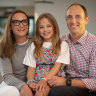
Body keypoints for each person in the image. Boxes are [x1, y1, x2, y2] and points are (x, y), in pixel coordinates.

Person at [48, 3, 96, 96]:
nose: (73, 21)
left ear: (86, 20)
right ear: (66, 20)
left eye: (78, 17)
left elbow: (95, 82)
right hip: (64, 86)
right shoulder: (61, 41)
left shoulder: (94, 43)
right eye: (69, 17)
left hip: (87, 91)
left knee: (57, 91)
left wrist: (67, 82)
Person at [23, 13, 70, 96]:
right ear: (37, 30)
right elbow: (31, 67)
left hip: (52, 80)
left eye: (49, 26)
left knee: (40, 93)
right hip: (36, 81)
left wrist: (44, 80)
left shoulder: (62, 44)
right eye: (41, 27)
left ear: (54, 27)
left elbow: (57, 66)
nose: (45, 30)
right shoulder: (34, 45)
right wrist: (30, 81)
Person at [0, 10, 34, 96]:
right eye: (16, 22)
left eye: (24, 21)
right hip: (12, 85)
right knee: (12, 92)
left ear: (28, 25)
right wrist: (23, 86)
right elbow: (7, 75)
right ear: (10, 26)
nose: (21, 25)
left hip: (33, 83)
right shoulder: (4, 46)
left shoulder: (36, 43)